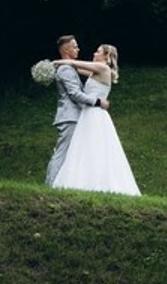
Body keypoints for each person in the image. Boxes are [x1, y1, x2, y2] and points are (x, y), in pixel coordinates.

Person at [48, 43, 140, 196]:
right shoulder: (95, 71)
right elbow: (75, 68)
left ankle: (97, 182)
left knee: (96, 147)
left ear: (106, 56)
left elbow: (74, 63)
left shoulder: (103, 69)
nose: (94, 53)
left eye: (98, 52)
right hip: (87, 113)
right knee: (84, 148)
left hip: (95, 114)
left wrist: (56, 62)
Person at [45, 34, 108, 186]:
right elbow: (75, 94)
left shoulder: (69, 67)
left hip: (74, 116)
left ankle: (63, 184)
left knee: (70, 153)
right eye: (75, 47)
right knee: (62, 153)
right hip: (69, 116)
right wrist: (97, 101)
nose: (78, 49)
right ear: (66, 50)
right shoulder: (65, 69)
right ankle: (51, 184)